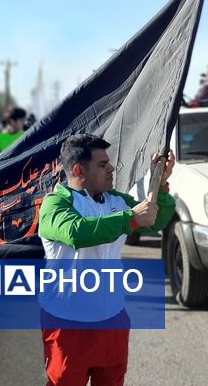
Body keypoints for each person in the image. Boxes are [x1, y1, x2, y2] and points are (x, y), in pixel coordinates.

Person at [38, 134, 176, 386]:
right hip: (68, 324)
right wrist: (130, 219)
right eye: (102, 165)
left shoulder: (116, 200)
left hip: (112, 318)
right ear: (79, 169)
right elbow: (75, 232)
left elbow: (155, 220)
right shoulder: (54, 204)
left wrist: (161, 185)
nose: (112, 168)